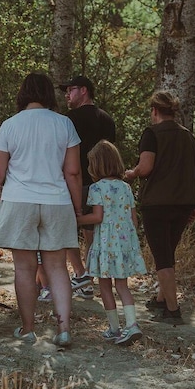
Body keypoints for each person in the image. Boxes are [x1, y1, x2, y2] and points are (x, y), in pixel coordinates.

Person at [0, 72, 82, 347]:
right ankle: (63, 330)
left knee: (24, 268)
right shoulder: (64, 124)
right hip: (57, 201)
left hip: (19, 201)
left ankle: (28, 329)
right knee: (57, 267)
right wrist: (77, 208)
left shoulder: (10, 125)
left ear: (23, 94)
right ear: (49, 95)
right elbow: (73, 172)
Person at [124, 91, 195, 324]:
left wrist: (132, 173)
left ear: (154, 111)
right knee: (168, 252)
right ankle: (160, 299)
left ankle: (172, 310)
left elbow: (146, 167)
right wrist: (194, 203)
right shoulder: (189, 136)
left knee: (162, 258)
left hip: (158, 203)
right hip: (184, 202)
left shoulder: (152, 134)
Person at [77, 140, 147, 345]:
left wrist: (77, 220)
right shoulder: (126, 187)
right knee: (123, 286)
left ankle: (115, 328)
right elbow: (134, 220)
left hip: (105, 244)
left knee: (105, 286)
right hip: (123, 243)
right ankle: (132, 324)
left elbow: (97, 217)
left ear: (96, 165)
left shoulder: (96, 188)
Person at [58, 75, 116, 300]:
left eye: (70, 90)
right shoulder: (108, 119)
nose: (67, 95)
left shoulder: (69, 119)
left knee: (67, 229)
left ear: (84, 91)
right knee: (94, 233)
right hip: (103, 184)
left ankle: (82, 275)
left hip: (77, 181)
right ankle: (93, 277)